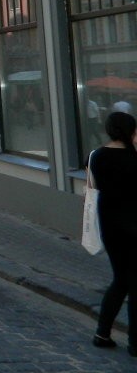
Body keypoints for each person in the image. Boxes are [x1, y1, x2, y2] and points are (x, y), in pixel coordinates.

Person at [89, 111, 137, 352]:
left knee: (121, 280)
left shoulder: (96, 156)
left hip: (110, 226)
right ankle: (135, 343)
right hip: (134, 225)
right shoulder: (133, 158)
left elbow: (92, 188)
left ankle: (102, 333)